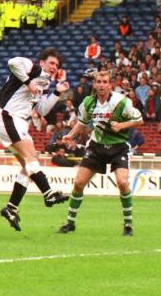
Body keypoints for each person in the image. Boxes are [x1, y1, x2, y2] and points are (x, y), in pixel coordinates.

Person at [57, 71, 144, 236]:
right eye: (99, 81)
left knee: (123, 183)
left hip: (118, 147)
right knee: (78, 183)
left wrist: (122, 125)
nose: (101, 85)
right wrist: (70, 135)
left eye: (105, 82)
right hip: (96, 147)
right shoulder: (88, 102)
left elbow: (139, 120)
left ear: (110, 85)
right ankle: (70, 223)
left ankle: (128, 225)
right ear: (95, 84)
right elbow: (82, 122)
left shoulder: (121, 102)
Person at [0, 48, 71, 231]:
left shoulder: (45, 82)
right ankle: (48, 193)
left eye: (57, 65)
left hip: (19, 121)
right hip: (8, 116)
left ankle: (11, 208)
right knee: (30, 159)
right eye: (51, 63)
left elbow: (42, 110)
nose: (54, 67)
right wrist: (28, 83)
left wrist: (57, 93)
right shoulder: (31, 67)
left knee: (30, 163)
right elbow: (12, 62)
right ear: (42, 62)